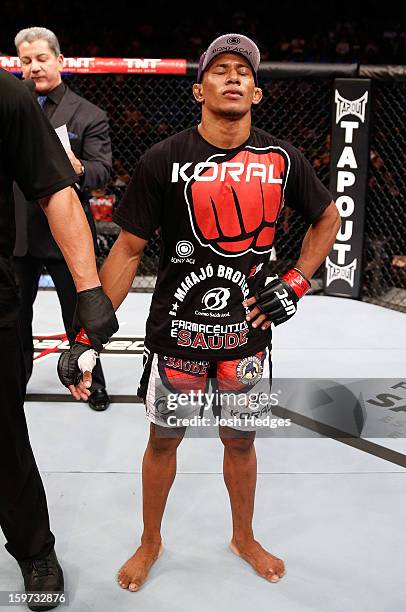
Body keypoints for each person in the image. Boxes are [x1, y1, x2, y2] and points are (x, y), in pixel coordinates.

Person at [59, 33, 341, 588]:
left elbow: (327, 219)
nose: (233, 77)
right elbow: (128, 249)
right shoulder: (163, 158)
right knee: (164, 439)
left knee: (241, 440)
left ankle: (243, 536)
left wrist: (296, 282)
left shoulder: (283, 158)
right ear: (198, 89)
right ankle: (150, 541)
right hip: (177, 336)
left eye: (244, 72)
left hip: (247, 336)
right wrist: (88, 333)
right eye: (221, 69)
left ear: (257, 93)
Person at [0, 67, 118, 610]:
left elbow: (57, 190)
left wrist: (90, 289)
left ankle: (34, 551)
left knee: (1, 433)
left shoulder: (6, 95)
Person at [13, 26, 113, 411]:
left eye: (41, 58)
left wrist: (79, 168)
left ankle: (93, 381)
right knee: (16, 320)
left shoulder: (88, 114)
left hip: (66, 235)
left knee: (81, 313)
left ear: (59, 60)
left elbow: (103, 171)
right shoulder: (14, 107)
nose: (35, 67)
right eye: (26, 61)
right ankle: (14, 385)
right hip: (19, 232)